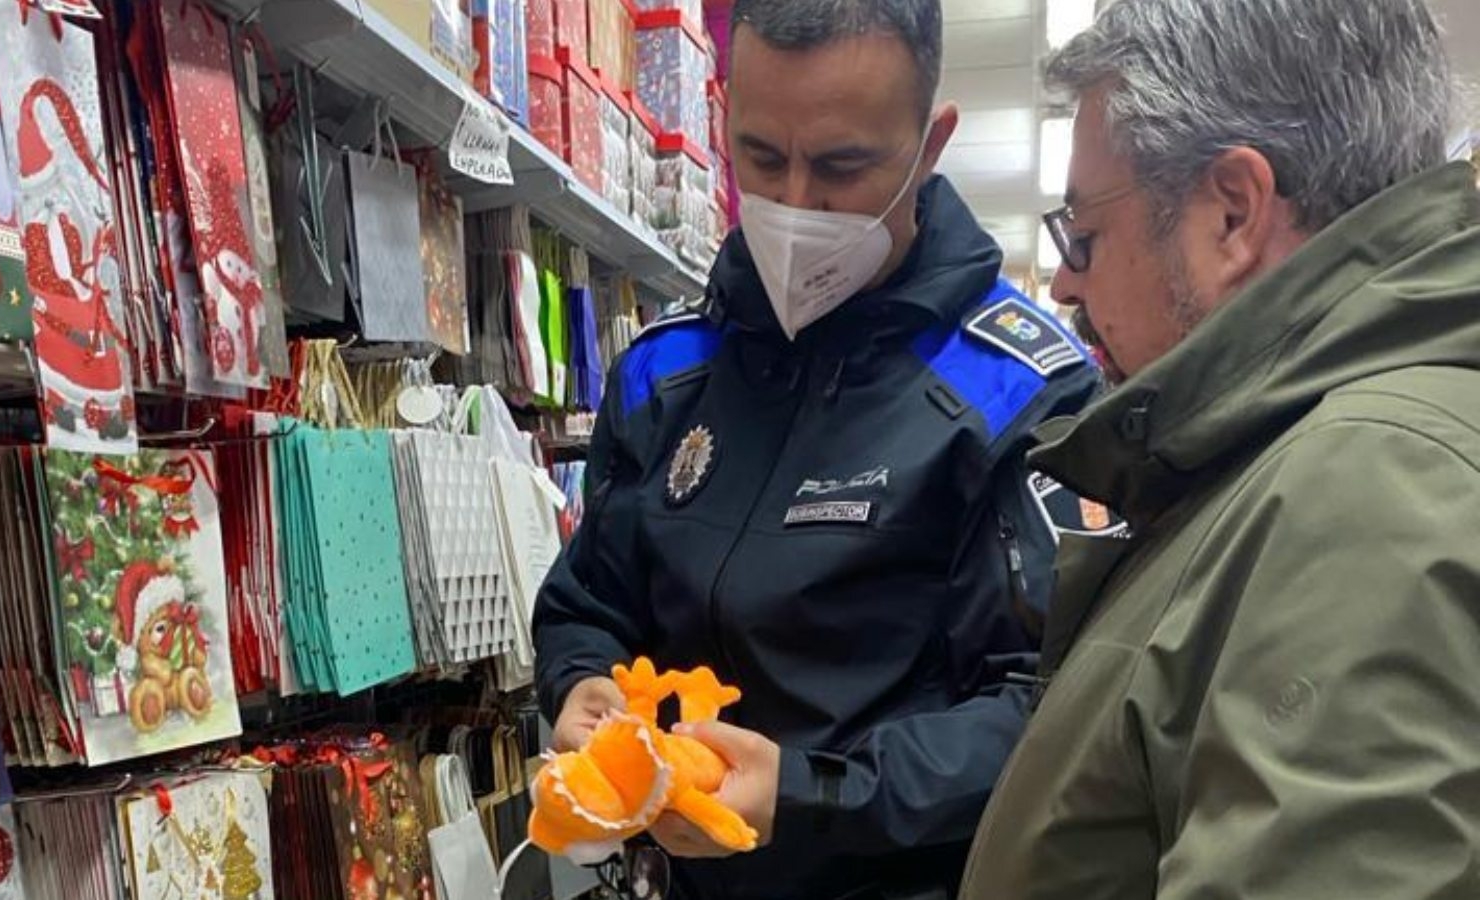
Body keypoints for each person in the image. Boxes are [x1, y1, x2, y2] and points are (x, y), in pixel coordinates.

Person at [532, 2, 1103, 898]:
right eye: (761, 155)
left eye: (842, 165)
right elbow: (588, 599)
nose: (795, 204)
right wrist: (580, 686)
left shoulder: (1024, 392)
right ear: (722, 111)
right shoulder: (666, 369)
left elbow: (1049, 704)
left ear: (931, 143)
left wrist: (806, 795)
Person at [958, 0, 1480, 897]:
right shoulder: (1278, 457)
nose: (1072, 281)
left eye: (1083, 233)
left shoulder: (1367, 494)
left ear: (1233, 214)